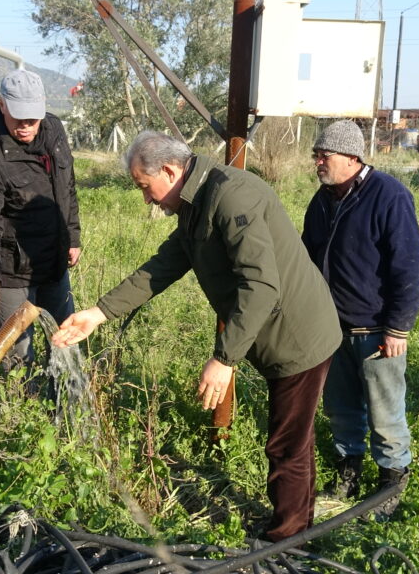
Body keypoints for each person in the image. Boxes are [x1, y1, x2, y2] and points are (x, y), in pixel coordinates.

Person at [50, 131, 342, 542]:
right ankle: (298, 521)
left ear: (169, 171)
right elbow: (163, 266)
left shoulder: (230, 197)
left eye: (144, 187)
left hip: (297, 335)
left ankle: (286, 540)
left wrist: (224, 360)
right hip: (277, 330)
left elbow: (261, 288)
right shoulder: (197, 200)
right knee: (294, 437)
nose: (146, 199)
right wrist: (99, 313)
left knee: (286, 444)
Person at [301, 120, 419, 517]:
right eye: (316, 155)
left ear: (352, 158)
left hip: (376, 332)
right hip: (331, 330)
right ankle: (347, 472)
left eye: (325, 156)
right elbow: (306, 259)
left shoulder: (389, 195)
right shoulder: (321, 201)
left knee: (386, 413)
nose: (318, 162)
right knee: (341, 409)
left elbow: (410, 266)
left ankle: (389, 487)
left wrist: (397, 328)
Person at [0, 68, 81, 377]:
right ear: (2, 105)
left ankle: (63, 413)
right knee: (18, 355)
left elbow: (66, 186)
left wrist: (73, 235)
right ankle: (22, 414)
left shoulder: (53, 129)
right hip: (14, 272)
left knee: (65, 341)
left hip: (55, 263)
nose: (27, 125)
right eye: (19, 117)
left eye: (33, 116)